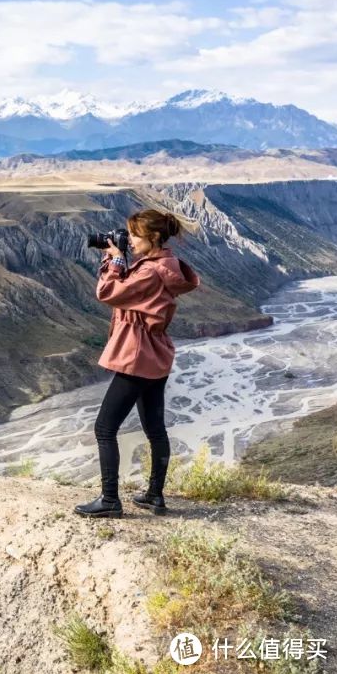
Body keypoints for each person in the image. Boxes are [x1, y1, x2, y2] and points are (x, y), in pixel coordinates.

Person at [74, 209, 200, 518]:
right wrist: (122, 259)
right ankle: (155, 496)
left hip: (137, 356)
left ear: (153, 237)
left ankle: (109, 500)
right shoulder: (165, 265)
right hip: (156, 353)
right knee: (155, 429)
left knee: (104, 428)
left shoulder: (150, 271)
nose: (129, 240)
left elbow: (109, 292)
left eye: (134, 235)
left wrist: (114, 260)